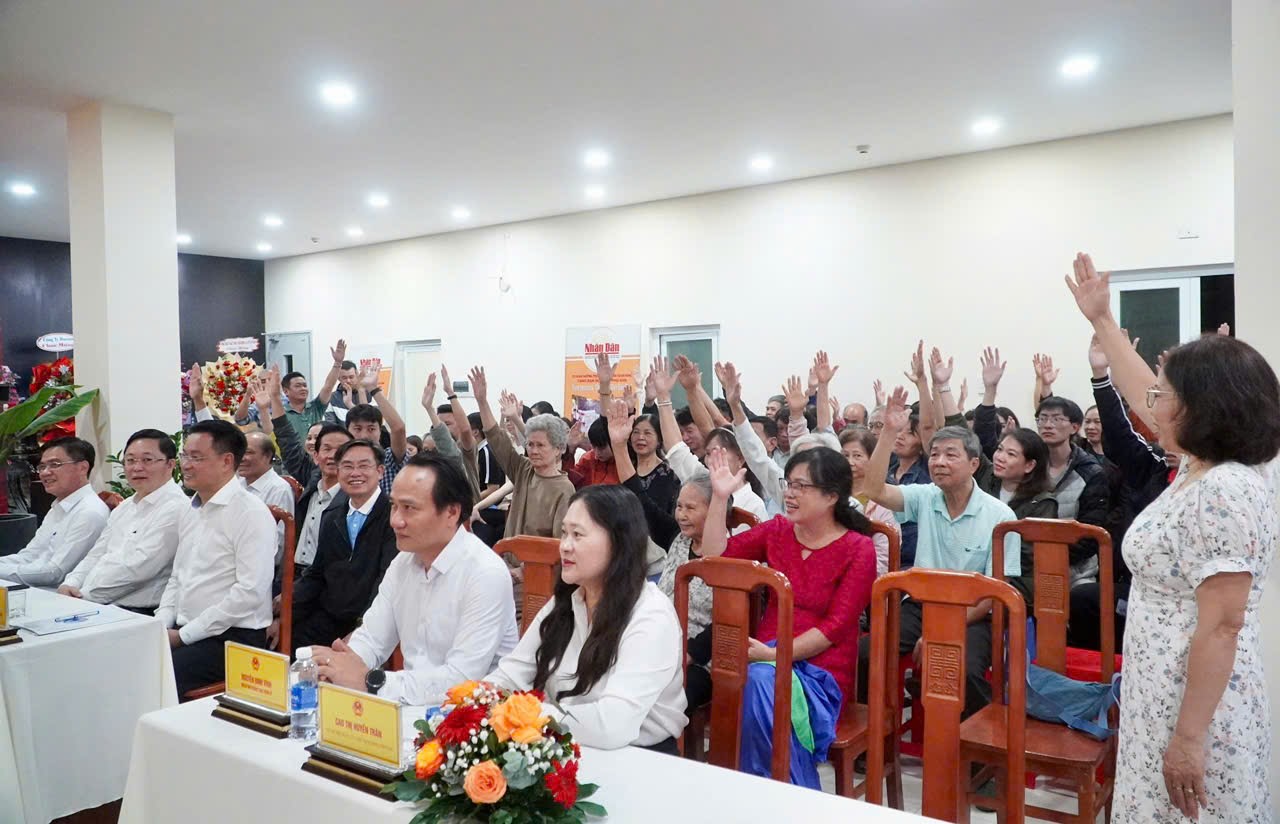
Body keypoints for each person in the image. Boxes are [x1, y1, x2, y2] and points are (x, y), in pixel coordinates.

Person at [1068, 253, 1280, 822]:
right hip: (1161, 692)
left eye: (1163, 396)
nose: (1151, 404)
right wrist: (1102, 320)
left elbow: (1223, 624)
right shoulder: (1200, 465)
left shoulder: (1227, 487)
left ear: (1200, 407)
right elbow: (1141, 388)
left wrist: (1188, 739)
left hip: (1196, 709)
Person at [698, 447, 876, 787]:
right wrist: (720, 498)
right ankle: (789, 793)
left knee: (759, 682)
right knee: (756, 681)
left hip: (821, 672)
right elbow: (715, 558)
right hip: (764, 658)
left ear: (831, 496)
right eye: (788, 484)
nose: (790, 494)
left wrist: (773, 655)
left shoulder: (858, 548)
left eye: (801, 486)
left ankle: (772, 792)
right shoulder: (777, 531)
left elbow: (836, 627)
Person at [858, 387, 1021, 719]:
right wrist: (888, 432)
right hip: (921, 604)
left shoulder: (1000, 516)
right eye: (934, 455)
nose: (939, 462)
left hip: (973, 612)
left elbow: (994, 595)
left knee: (964, 670)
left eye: (950, 455)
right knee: (865, 652)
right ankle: (877, 731)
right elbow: (873, 489)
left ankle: (978, 743)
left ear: (974, 464)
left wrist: (940, 631)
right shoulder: (925, 496)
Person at [486, 485, 687, 752]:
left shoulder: (651, 615)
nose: (564, 546)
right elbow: (511, 674)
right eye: (564, 533)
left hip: (636, 755)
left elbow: (613, 726)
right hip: (563, 741)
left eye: (578, 535)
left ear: (618, 543)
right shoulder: (567, 601)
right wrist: (475, 701)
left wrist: (526, 714)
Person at [313, 454, 518, 705]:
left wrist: (369, 681)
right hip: (409, 704)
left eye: (409, 508)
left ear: (452, 512)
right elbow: (372, 638)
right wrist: (339, 666)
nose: (395, 521)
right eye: (393, 506)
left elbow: (461, 680)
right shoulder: (403, 562)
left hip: (473, 715)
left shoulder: (485, 573)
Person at [157, 420, 276, 695]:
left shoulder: (250, 513)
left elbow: (250, 592)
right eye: (185, 456)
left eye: (196, 457)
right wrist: (161, 623)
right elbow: (177, 576)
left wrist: (183, 636)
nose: (186, 465)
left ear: (226, 461)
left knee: (153, 675)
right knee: (127, 656)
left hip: (232, 639)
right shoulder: (191, 508)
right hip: (185, 629)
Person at [285, 439, 398, 653]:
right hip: (330, 616)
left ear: (380, 472)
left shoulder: (393, 516)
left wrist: (363, 629)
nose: (355, 473)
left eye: (364, 466)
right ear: (338, 472)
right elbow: (317, 573)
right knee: (285, 647)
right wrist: (284, 610)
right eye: (347, 466)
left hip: (373, 621)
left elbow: (387, 580)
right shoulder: (332, 515)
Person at [58, 430, 186, 613]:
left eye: (147, 460)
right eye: (130, 460)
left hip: (138, 612)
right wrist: (71, 583)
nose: (137, 467)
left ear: (170, 464)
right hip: (94, 602)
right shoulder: (125, 506)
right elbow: (97, 553)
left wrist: (83, 597)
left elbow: (140, 569)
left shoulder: (176, 508)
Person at [470, 365, 576, 542]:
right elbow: (496, 438)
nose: (533, 451)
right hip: (507, 555)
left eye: (541, 445)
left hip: (537, 559)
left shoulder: (564, 489)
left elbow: (559, 542)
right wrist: (482, 401)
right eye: (530, 444)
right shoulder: (523, 469)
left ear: (558, 448)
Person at [0, 437, 108, 586]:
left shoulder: (90, 512)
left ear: (82, 468)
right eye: (42, 466)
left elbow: (54, 573)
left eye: (54, 465)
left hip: (61, 594)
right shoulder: (57, 508)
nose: (45, 473)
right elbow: (28, 556)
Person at [1035, 395, 1110, 587]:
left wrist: (1051, 558)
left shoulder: (1091, 472)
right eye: (1042, 418)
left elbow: (1090, 535)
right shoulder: (1029, 466)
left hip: (1076, 574)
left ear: (1075, 427)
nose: (1047, 425)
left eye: (1057, 419)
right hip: (1030, 567)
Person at [985, 428, 1058, 607]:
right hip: (980, 569)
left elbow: (1027, 556)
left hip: (1017, 579)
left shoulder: (1043, 503)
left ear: (1029, 465)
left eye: (1011, 454)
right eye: (999, 449)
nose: (1000, 457)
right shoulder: (986, 482)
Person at [839, 427, 900, 576]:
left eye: (857, 456)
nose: (850, 462)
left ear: (872, 459)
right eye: (845, 455)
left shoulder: (885, 499)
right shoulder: (832, 495)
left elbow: (884, 557)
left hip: (868, 575)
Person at [345, 362, 409, 496]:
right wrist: (361, 390)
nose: (364, 435)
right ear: (347, 431)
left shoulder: (389, 459)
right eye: (357, 429)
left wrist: (373, 389)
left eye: (371, 429)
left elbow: (398, 428)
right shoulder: (342, 461)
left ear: (380, 431)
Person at [239, 430, 295, 561]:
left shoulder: (279, 489)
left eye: (248, 452)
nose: (241, 458)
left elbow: (278, 546)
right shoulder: (237, 484)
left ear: (268, 456)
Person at [279, 338, 346, 442]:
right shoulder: (281, 413)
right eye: (298, 386)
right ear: (286, 391)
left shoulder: (316, 407)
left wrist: (338, 363)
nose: (303, 388)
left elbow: (328, 386)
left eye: (304, 385)